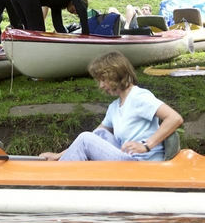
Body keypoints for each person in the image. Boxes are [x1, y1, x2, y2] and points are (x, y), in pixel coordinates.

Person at [40, 51, 183, 162]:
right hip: (128, 158)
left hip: (142, 163)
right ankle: (61, 166)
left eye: (103, 79)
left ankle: (54, 179)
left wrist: (146, 145)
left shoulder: (138, 97)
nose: (101, 85)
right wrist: (58, 155)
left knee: (85, 138)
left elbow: (174, 118)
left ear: (116, 74)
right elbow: (94, 138)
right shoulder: (114, 107)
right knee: (96, 135)